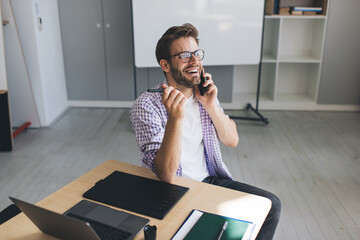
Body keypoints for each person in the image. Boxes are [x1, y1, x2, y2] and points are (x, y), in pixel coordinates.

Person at [130, 23, 280, 239]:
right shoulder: (146, 105)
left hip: (208, 181)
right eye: (184, 55)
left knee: (270, 205)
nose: (195, 61)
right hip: (171, 190)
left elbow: (232, 140)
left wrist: (210, 105)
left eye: (197, 54)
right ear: (165, 64)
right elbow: (166, 174)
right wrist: (176, 117)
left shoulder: (203, 93)